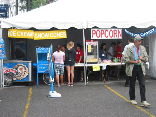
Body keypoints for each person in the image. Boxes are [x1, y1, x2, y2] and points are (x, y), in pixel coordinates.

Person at [123, 35, 150, 107]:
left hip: (140, 67)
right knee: (132, 84)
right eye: (139, 41)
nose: (140, 42)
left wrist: (142, 59)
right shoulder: (130, 48)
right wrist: (134, 62)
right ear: (135, 41)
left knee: (142, 84)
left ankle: (143, 100)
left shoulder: (143, 48)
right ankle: (132, 99)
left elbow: (147, 58)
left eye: (141, 40)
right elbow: (125, 59)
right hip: (133, 67)